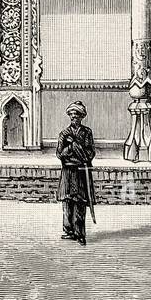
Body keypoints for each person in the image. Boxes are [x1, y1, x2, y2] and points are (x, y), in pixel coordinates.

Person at [57, 101, 96, 246]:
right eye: (72, 115)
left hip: (81, 172)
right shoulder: (64, 133)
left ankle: (80, 233)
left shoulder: (87, 132)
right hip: (68, 172)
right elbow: (60, 154)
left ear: (81, 116)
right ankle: (69, 231)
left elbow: (90, 153)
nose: (74, 118)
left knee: (79, 202)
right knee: (67, 202)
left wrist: (74, 145)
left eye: (77, 115)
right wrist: (69, 149)